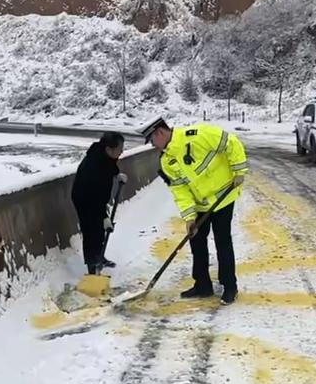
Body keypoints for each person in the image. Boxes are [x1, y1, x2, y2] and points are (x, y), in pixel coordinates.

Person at [143, 118, 248, 305]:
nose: (153, 145)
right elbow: (180, 191)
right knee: (196, 240)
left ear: (159, 133)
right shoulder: (167, 161)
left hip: (224, 195)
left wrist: (238, 170)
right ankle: (202, 285)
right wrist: (189, 217)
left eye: (152, 140)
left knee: (222, 240)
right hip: (200, 204)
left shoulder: (197, 135)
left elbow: (230, 142)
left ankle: (230, 286)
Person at [71, 131, 127, 275]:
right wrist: (104, 216)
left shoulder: (104, 155)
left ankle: (99, 257)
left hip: (96, 198)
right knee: (91, 230)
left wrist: (117, 174)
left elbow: (111, 164)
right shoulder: (94, 166)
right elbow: (94, 198)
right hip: (84, 199)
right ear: (109, 149)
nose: (122, 151)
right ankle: (92, 266)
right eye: (119, 149)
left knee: (100, 230)